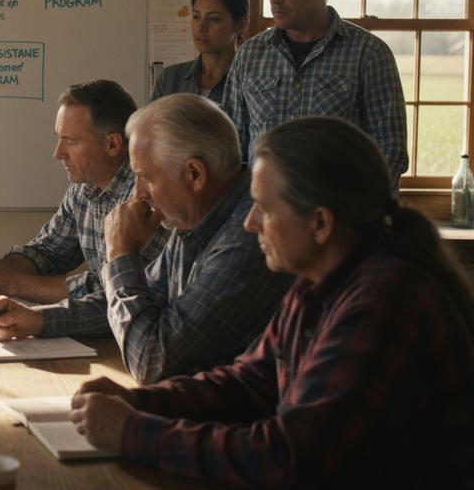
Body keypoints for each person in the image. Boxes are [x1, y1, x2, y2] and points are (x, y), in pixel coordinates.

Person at [69, 117, 474, 487]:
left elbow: (289, 455)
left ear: (320, 223)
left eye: (263, 208)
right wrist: (139, 401)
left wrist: (133, 431)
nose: (249, 223)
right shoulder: (314, 283)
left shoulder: (384, 302)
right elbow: (249, 383)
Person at [0, 94, 291, 384]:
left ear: (195, 175)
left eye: (146, 177)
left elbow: (150, 362)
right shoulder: (195, 216)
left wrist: (121, 254)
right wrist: (40, 320)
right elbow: (141, 297)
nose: (138, 193)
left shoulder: (248, 239)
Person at [0, 80, 168, 304]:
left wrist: (11, 283)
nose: (58, 153)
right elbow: (48, 252)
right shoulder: (83, 187)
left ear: (112, 145)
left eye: (70, 141)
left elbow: (112, 289)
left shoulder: (147, 195)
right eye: (59, 138)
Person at [222, 0, 408, 186]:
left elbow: (391, 151)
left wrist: (345, 204)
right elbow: (232, 147)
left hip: (340, 206)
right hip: (262, 207)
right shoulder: (250, 54)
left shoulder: (368, 54)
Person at [151, 0, 249, 102]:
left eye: (213, 19)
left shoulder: (251, 81)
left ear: (240, 24)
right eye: (196, 17)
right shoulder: (171, 78)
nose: (201, 27)